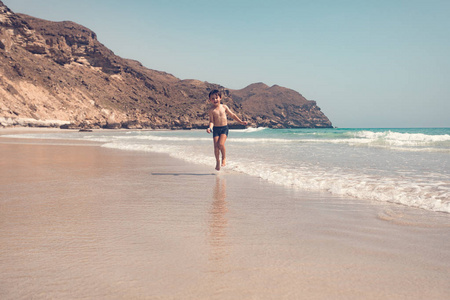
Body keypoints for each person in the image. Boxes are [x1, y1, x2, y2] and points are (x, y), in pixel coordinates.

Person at [206, 90, 248, 171]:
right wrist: (210, 128)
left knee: (221, 144)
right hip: (216, 129)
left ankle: (224, 158)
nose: (215, 100)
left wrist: (241, 122)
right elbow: (211, 121)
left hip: (224, 128)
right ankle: (217, 161)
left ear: (220, 98)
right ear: (210, 100)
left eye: (216, 98)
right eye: (212, 98)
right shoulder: (211, 110)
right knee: (216, 146)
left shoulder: (224, 107)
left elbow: (232, 115)